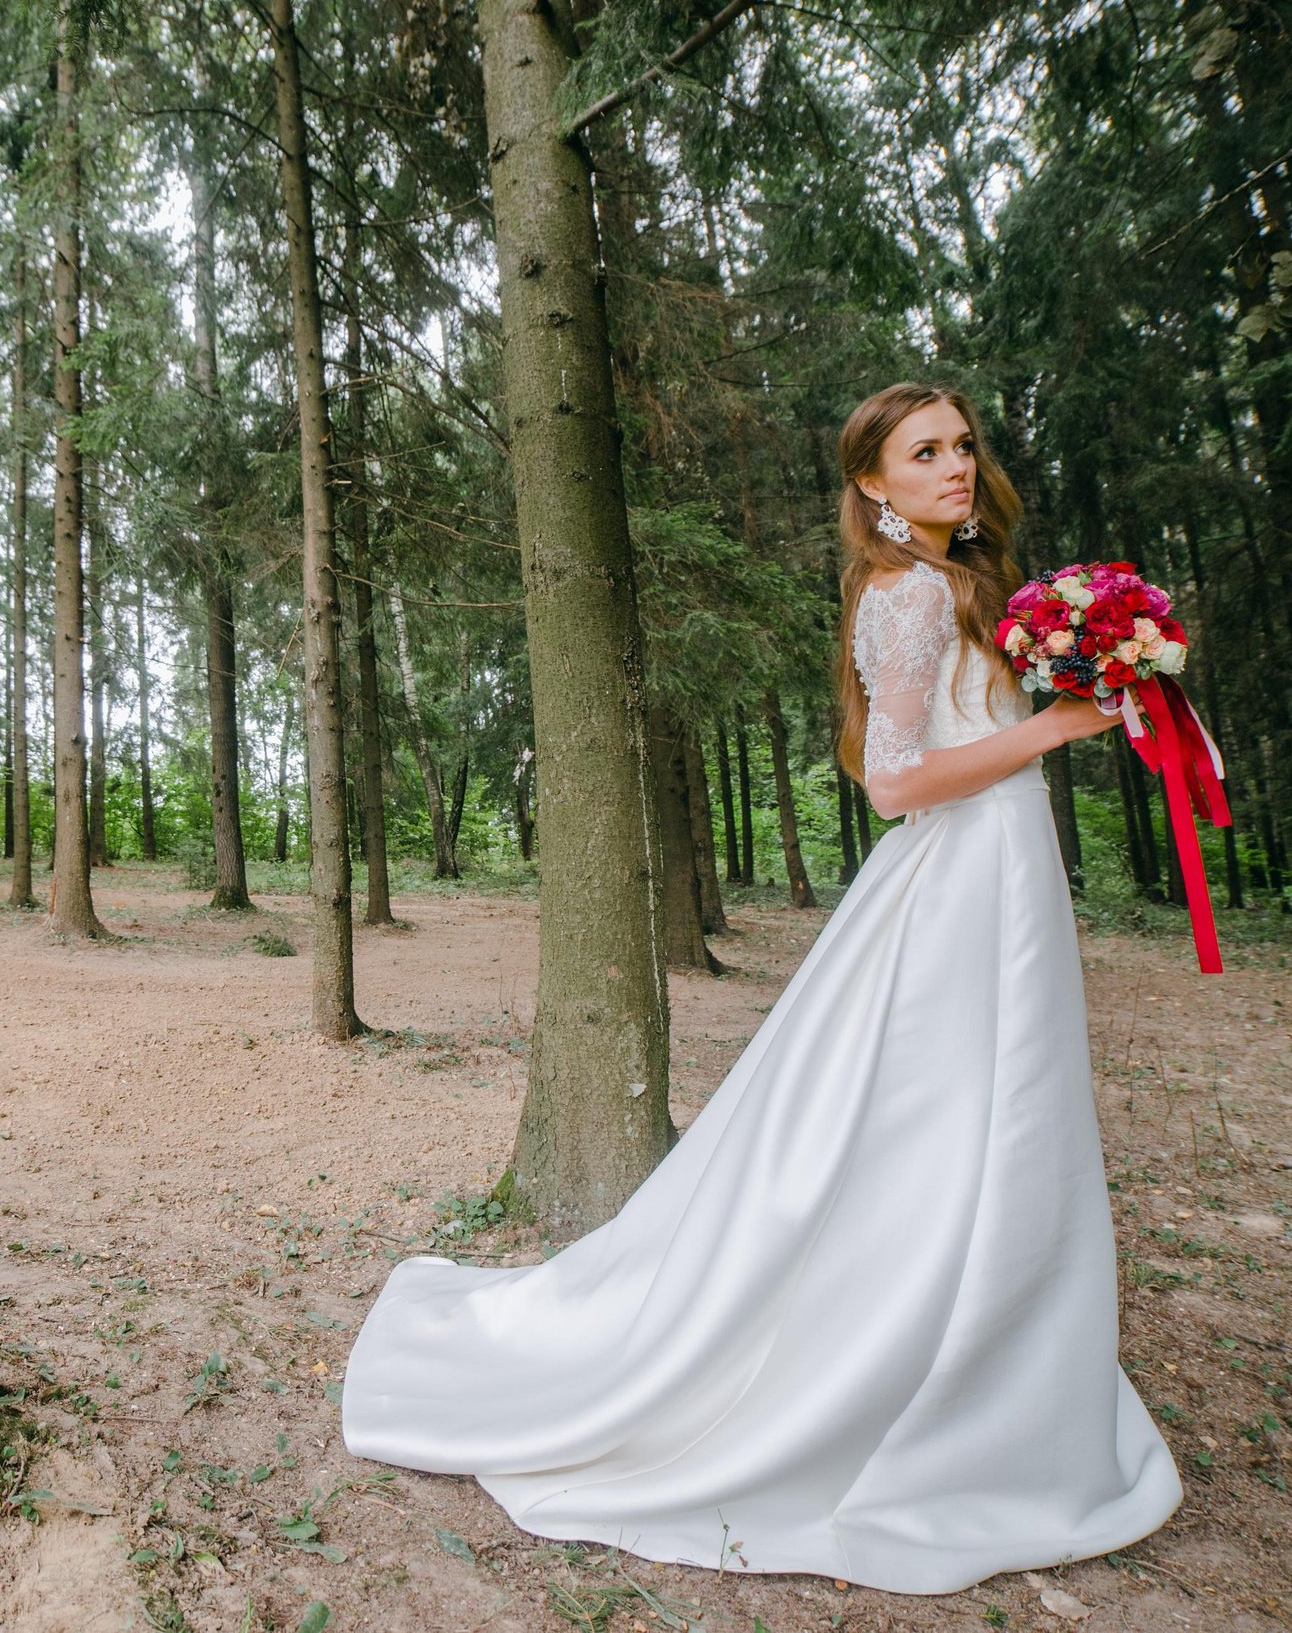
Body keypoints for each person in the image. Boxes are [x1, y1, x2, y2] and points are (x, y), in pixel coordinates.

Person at [337, 382, 1180, 1595]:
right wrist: (1054, 730)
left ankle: (989, 1346)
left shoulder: (971, 590)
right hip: (952, 893)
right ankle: (892, 1359)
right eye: (922, 453)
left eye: (962, 446)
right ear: (874, 487)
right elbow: (893, 782)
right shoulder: (901, 597)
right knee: (934, 1124)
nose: (953, 466)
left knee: (1005, 1119)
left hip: (1007, 879)